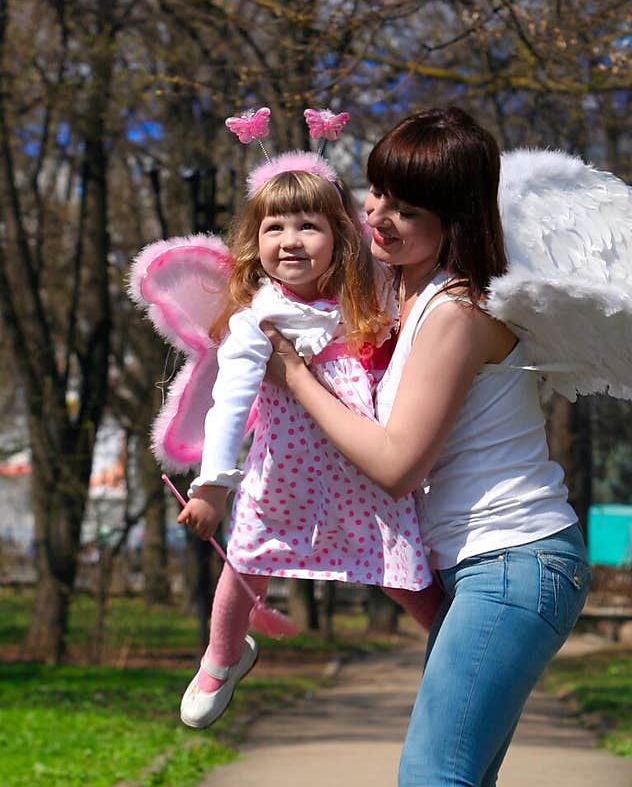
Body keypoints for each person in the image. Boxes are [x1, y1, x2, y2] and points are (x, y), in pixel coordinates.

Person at [262, 105, 590, 787]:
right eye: (375, 197)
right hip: (491, 567)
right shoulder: (416, 304)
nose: (378, 218)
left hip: (512, 560)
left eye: (407, 208)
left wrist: (295, 377)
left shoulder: (453, 309)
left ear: (456, 219)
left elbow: (396, 460)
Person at [173, 151, 440, 729]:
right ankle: (221, 658)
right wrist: (214, 486)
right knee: (247, 560)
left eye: (308, 226)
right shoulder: (257, 321)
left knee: (397, 559)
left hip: (362, 463)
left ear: (340, 238)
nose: (290, 241)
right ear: (255, 240)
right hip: (282, 468)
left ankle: (453, 640)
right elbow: (229, 404)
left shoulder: (365, 301)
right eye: (274, 227)